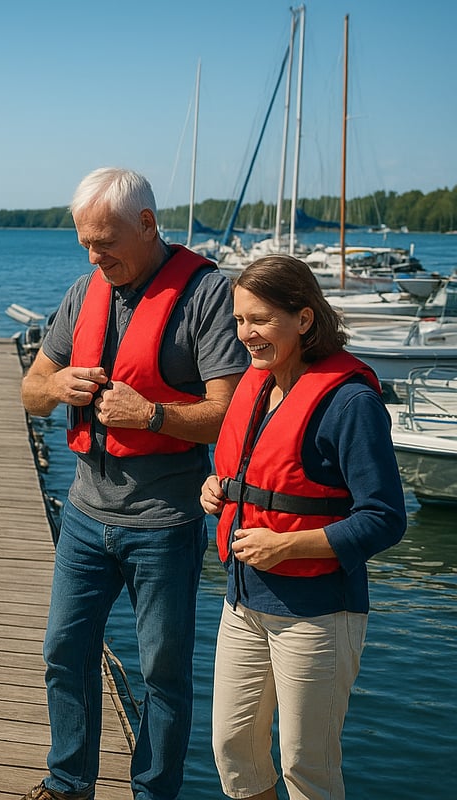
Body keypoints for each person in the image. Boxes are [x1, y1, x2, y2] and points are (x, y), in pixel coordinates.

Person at [19, 167, 250, 800]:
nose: (95, 257)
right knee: (63, 654)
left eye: (106, 242)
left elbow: (229, 413)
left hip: (167, 524)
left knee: (163, 674)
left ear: (148, 224)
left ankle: (154, 792)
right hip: (85, 518)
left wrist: (150, 414)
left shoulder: (206, 294)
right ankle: (67, 784)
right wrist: (57, 386)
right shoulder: (83, 291)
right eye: (85, 244)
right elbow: (31, 390)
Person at [201, 255, 405, 800]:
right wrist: (215, 489)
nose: (247, 334)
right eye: (240, 320)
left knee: (305, 768)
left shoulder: (350, 402)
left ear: (304, 319)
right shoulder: (258, 385)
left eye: (261, 320)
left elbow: (385, 519)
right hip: (242, 603)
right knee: (233, 752)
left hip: (318, 614)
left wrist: (288, 545)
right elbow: (249, 474)